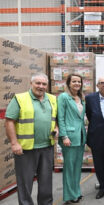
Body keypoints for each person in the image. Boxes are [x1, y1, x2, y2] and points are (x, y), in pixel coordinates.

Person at [5, 73, 58, 205]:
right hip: (25, 149)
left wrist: (56, 128)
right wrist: (14, 143)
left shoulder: (52, 99)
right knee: (25, 183)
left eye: (44, 84)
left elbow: (55, 118)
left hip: (47, 147)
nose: (41, 86)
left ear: (47, 85)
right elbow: (9, 121)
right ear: (31, 84)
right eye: (38, 83)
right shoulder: (20, 98)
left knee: (46, 182)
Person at [57, 74, 87, 203]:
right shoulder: (64, 97)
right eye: (74, 81)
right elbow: (61, 118)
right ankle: (69, 196)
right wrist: (64, 136)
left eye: (79, 82)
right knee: (69, 168)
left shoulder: (81, 98)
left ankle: (76, 192)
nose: (77, 84)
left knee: (77, 167)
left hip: (80, 136)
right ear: (69, 83)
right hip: (69, 137)